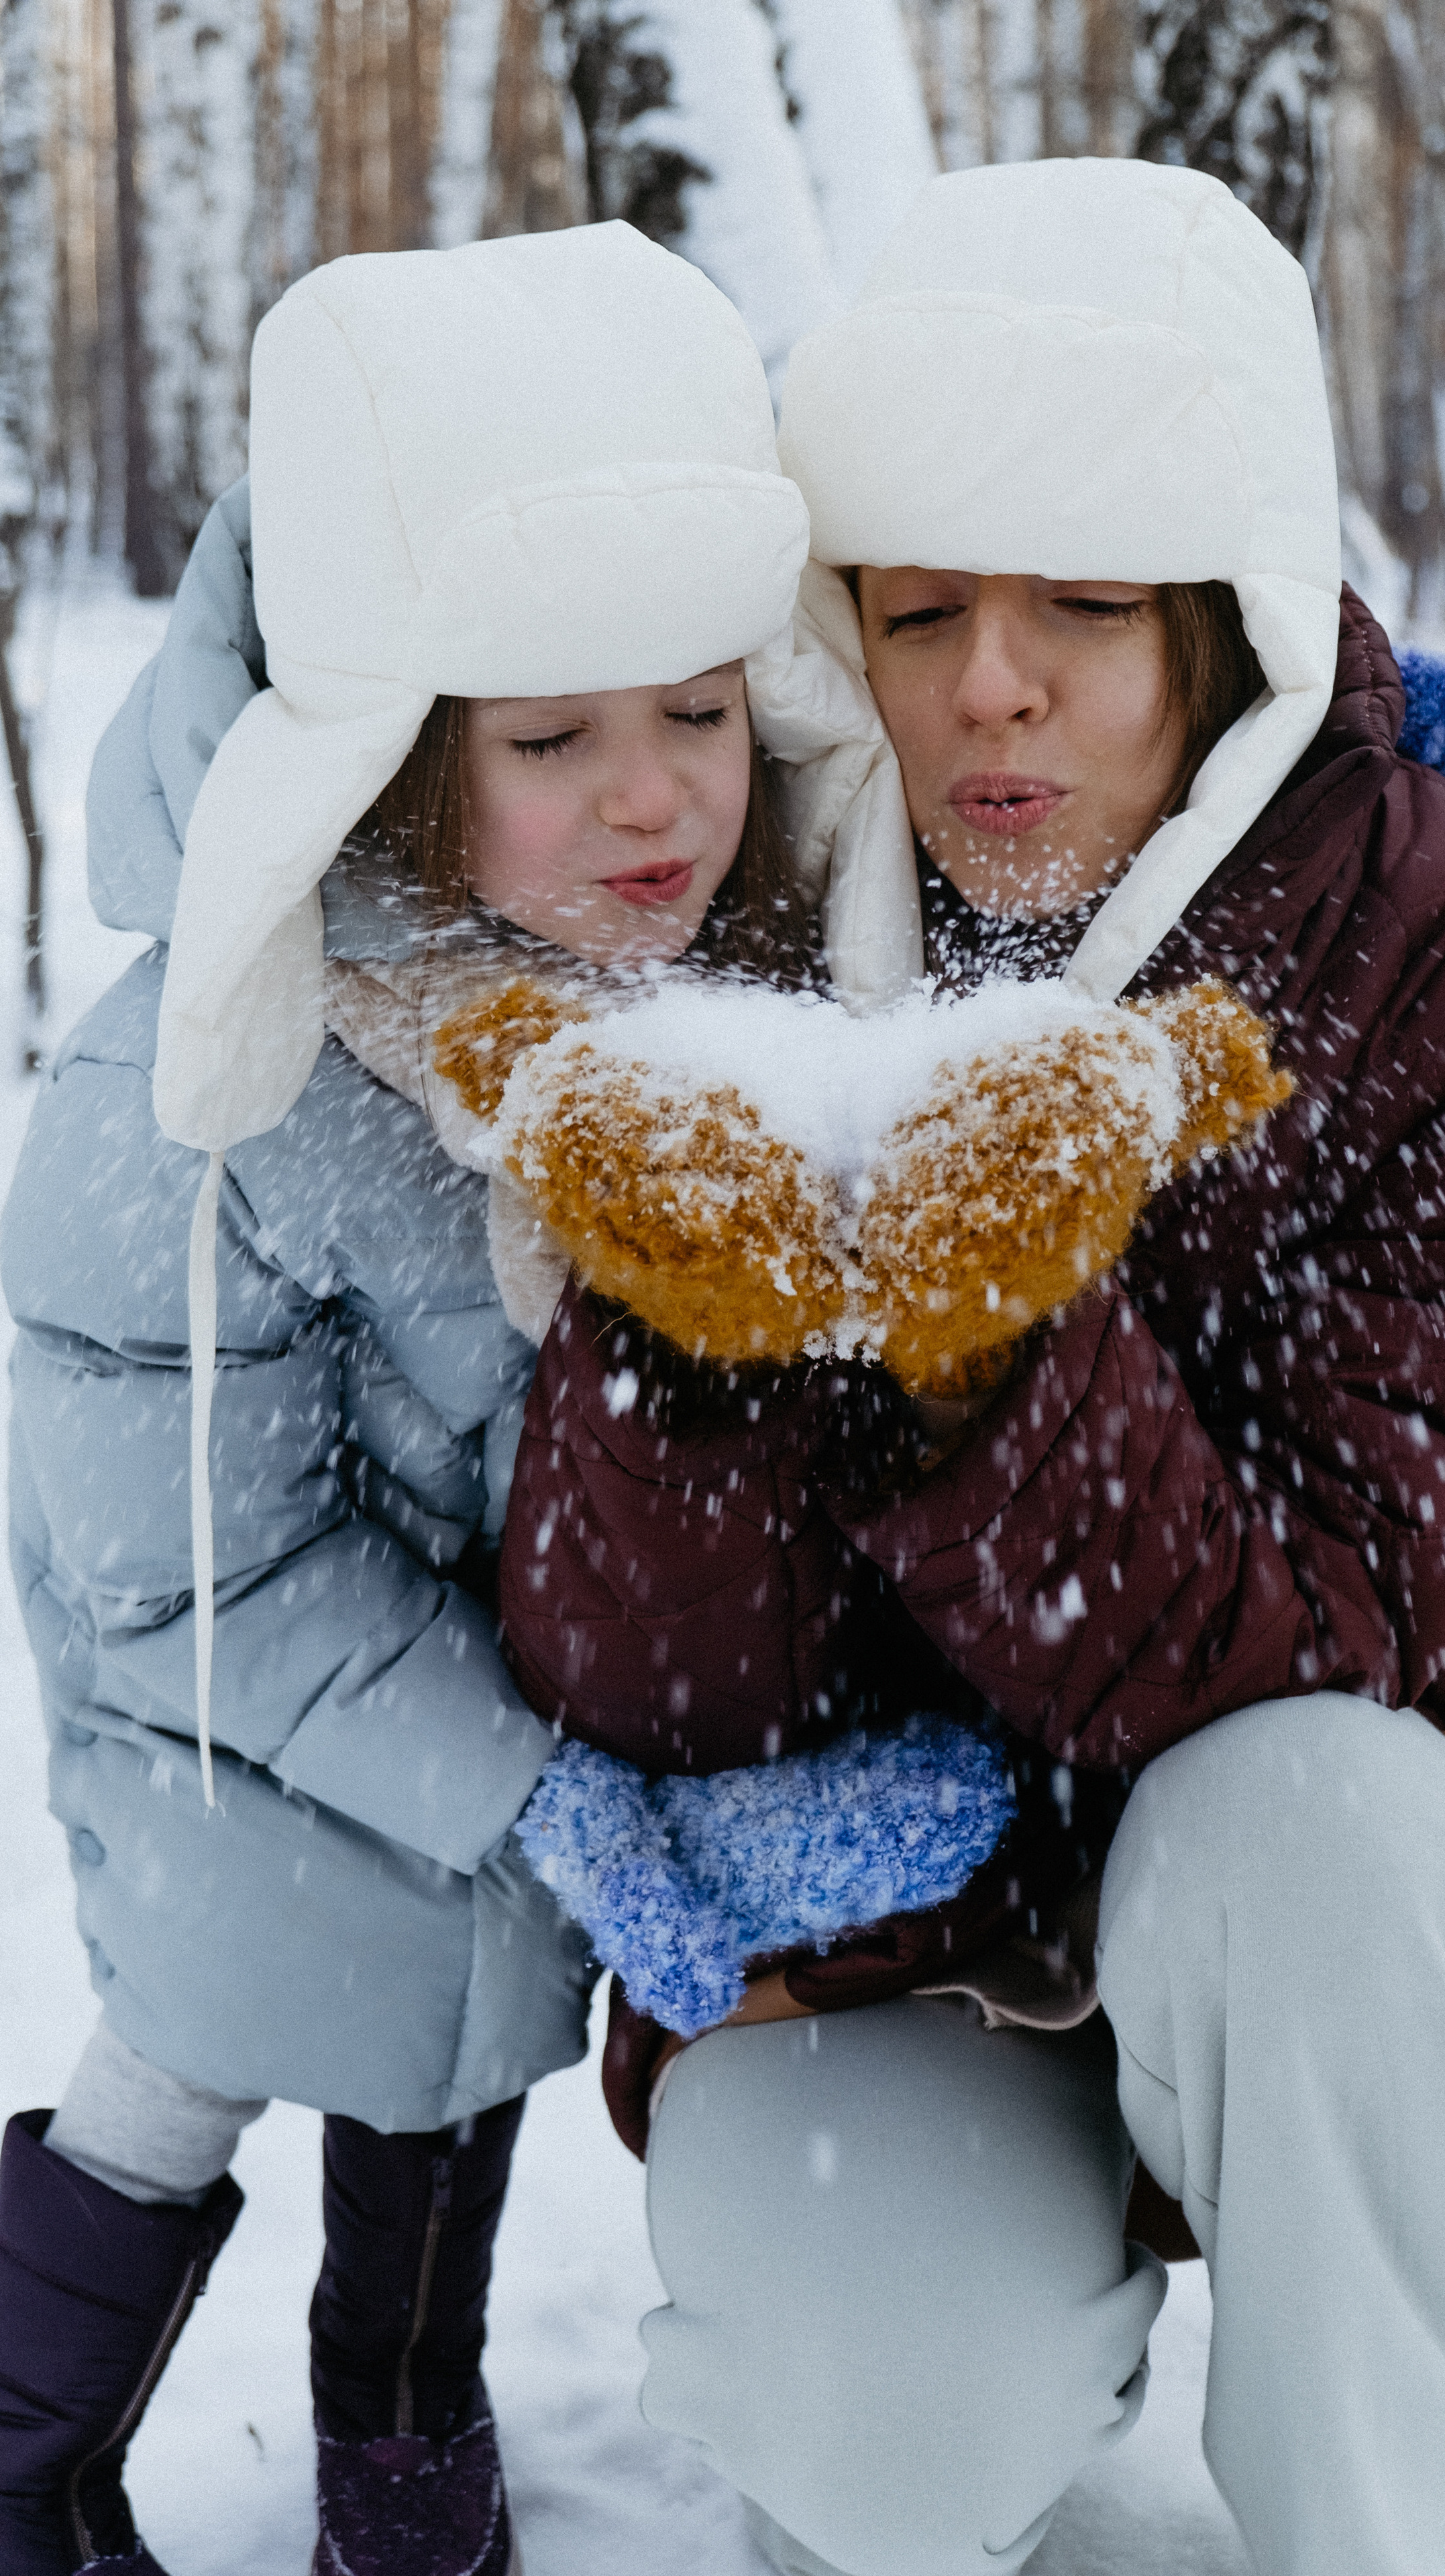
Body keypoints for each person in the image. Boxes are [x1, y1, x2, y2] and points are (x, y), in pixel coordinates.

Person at [500, 161, 1445, 2576]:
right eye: (918, 609)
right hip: (886, 1957)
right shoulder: (722, 955)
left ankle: (1392, 2528)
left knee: (1310, 1823)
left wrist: (990, 1333)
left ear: (1228, 617)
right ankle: (943, 2394)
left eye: (1082, 603)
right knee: (870, 2406)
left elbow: (1329, 1611)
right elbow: (645, 1682)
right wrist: (687, 1328)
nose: (988, 686)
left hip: (1335, 1927)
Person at [0, 219, 903, 2576]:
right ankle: (17, 2442)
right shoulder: (212, 1079)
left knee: (451, 2089)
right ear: (392, 753)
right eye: (550, 741)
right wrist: (536, 1780)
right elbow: (197, 1560)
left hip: (525, 1744)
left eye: (697, 715)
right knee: (180, 2080)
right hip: (245, 1725)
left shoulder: (708, 1014)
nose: (651, 808)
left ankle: (403, 2442)